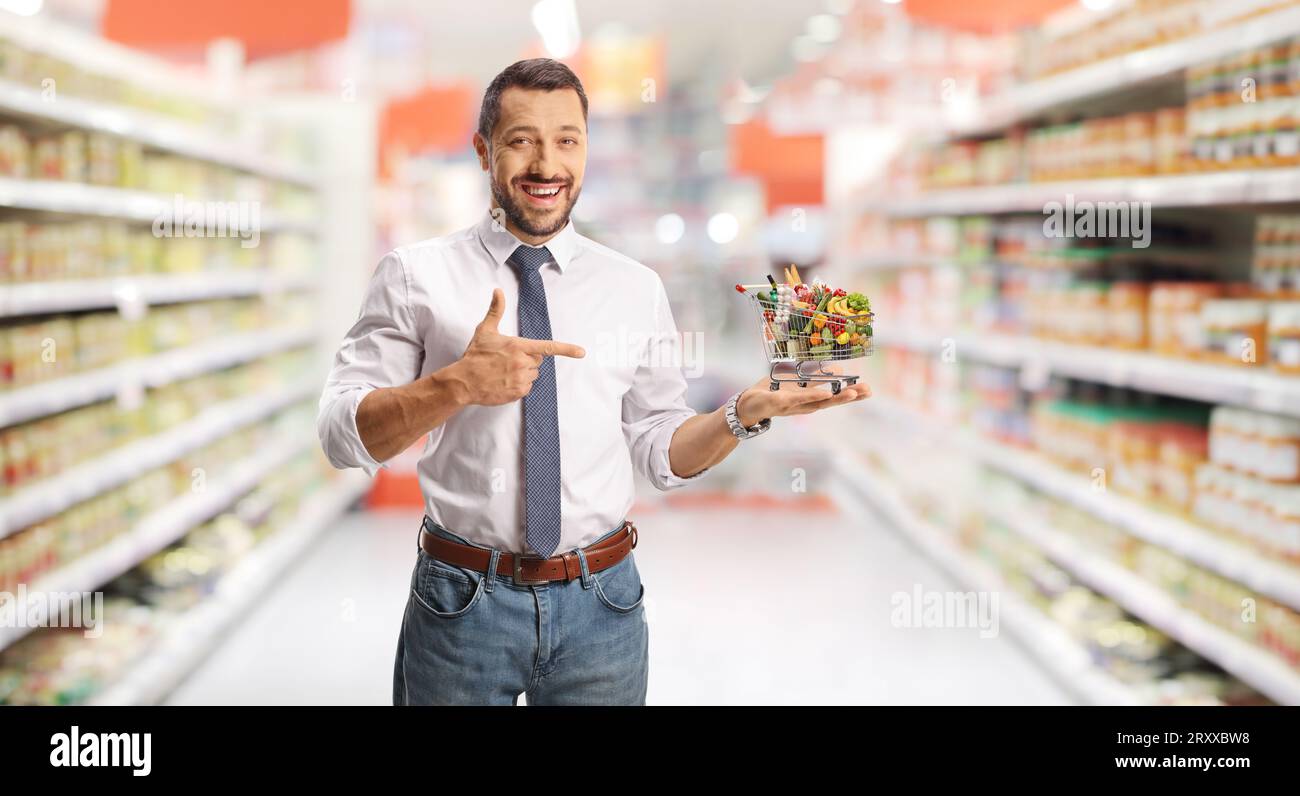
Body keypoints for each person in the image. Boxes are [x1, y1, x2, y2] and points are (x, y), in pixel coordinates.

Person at [317, 58, 871, 706]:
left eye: (567, 140)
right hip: (461, 601)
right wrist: (454, 386)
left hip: (601, 603)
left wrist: (740, 414)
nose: (546, 165)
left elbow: (661, 451)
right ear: (482, 149)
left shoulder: (632, 288)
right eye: (522, 139)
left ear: (585, 149)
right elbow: (340, 436)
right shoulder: (415, 276)